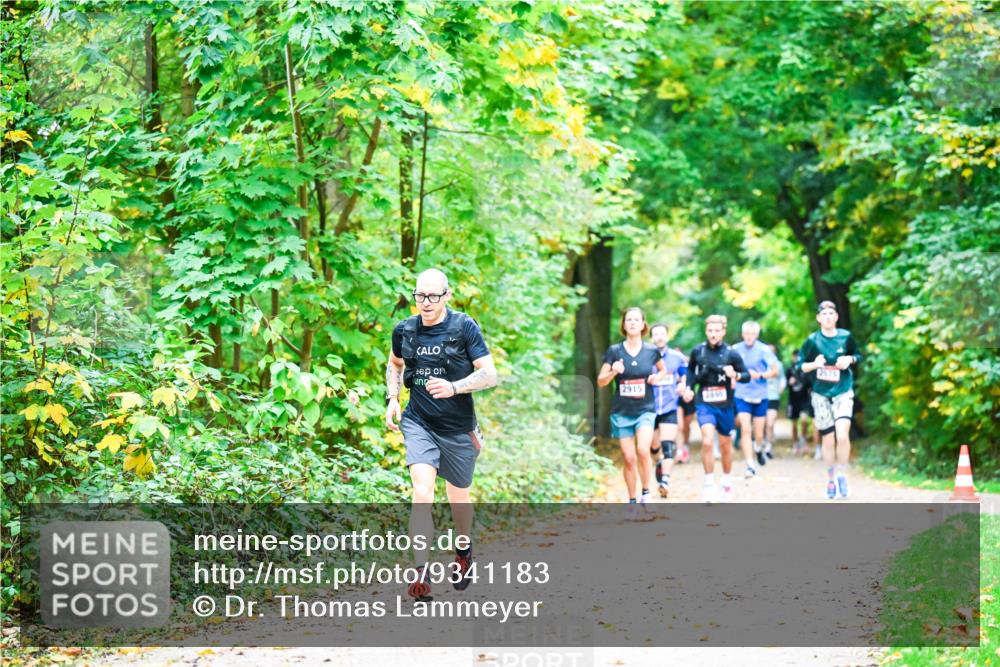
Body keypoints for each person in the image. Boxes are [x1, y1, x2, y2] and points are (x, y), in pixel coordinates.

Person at [385, 269, 498, 600]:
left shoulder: (464, 327)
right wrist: (393, 398)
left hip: (459, 427)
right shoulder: (404, 330)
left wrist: (454, 387)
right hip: (419, 422)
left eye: (434, 296)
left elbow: (489, 374)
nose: (426, 303)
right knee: (422, 492)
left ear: (447, 296)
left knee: (458, 498)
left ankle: (463, 550)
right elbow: (395, 364)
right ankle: (420, 572)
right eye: (420, 295)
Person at [597, 307, 667, 510]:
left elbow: (663, 370)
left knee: (643, 450)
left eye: (637, 319)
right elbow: (601, 381)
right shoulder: (614, 352)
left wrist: (657, 377)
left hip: (645, 409)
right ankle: (632, 500)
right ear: (624, 325)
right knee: (628, 458)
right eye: (629, 320)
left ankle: (646, 493)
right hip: (622, 411)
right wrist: (613, 373)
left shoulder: (652, 351)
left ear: (644, 324)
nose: (633, 323)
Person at [796, 300, 863, 500]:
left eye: (830, 313)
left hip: (843, 391)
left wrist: (849, 360)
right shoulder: (812, 340)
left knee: (842, 435)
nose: (827, 316)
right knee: (828, 438)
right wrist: (814, 364)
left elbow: (858, 354)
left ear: (836, 317)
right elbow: (800, 366)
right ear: (818, 318)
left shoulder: (845, 337)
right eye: (823, 313)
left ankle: (842, 473)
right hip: (820, 394)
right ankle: (831, 477)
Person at [681, 315, 750, 503]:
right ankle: (709, 484)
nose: (713, 334)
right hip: (705, 403)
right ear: (706, 331)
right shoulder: (698, 352)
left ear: (723, 331)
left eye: (717, 331)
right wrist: (688, 387)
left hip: (725, 405)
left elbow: (747, 375)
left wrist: (734, 374)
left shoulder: (731, 353)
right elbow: (690, 372)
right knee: (707, 441)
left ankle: (726, 482)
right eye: (710, 330)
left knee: (726, 445)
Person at [732, 321, 780, 477]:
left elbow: (775, 371)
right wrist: (733, 379)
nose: (749, 337)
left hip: (760, 394)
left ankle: (758, 449)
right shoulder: (735, 349)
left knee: (759, 433)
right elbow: (730, 368)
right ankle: (750, 465)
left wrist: (759, 375)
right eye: (746, 333)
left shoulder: (764, 350)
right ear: (742, 334)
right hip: (741, 394)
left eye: (752, 334)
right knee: (746, 429)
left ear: (757, 335)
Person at [649, 323, 688, 498]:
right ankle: (658, 462)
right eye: (655, 334)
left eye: (662, 333)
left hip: (669, 407)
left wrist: (683, 386)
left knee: (668, 444)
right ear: (651, 338)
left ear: (667, 336)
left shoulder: (677, 357)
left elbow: (684, 377)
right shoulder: (645, 357)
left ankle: (665, 480)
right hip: (649, 408)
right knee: (653, 446)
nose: (659, 337)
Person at [785, 348, 813, 456]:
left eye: (798, 356)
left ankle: (804, 441)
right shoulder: (789, 370)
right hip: (793, 400)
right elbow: (785, 385)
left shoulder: (805, 369)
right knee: (794, 423)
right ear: (792, 357)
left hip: (804, 400)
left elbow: (811, 385)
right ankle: (795, 443)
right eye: (795, 356)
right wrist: (789, 382)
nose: (797, 358)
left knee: (804, 420)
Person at [764, 343, 786, 457]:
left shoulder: (779, 365)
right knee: (761, 423)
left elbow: (782, 378)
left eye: (772, 350)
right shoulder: (761, 363)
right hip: (761, 397)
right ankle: (761, 442)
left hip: (773, 397)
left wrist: (781, 388)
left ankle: (768, 446)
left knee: (770, 423)